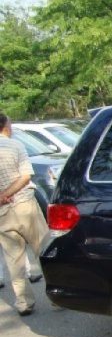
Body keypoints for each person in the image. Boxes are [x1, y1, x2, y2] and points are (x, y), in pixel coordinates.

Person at [0, 112, 49, 315]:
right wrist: (7, 193)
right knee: (43, 249)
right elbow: (25, 176)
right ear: (5, 126)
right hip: (24, 205)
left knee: (14, 260)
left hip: (2, 213)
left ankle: (23, 302)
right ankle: (57, 295)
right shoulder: (15, 145)